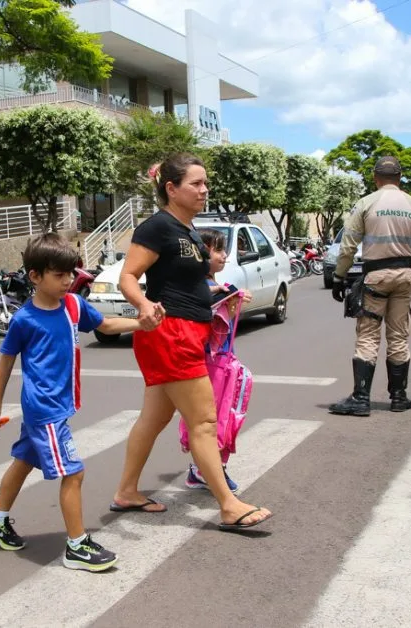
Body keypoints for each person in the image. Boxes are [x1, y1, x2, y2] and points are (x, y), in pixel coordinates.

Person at [110, 153, 272, 532]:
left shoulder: (189, 232)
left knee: (154, 419)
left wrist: (219, 292)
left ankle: (127, 492)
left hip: (188, 332)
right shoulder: (158, 227)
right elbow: (128, 277)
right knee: (203, 421)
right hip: (172, 333)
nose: (204, 190)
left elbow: (188, 283)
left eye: (205, 183)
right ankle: (229, 505)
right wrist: (143, 304)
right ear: (171, 188)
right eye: (196, 184)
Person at [0, 232, 144, 572]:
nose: (68, 281)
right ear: (35, 276)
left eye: (71, 274)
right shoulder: (25, 319)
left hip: (58, 405)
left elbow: (107, 324)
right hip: (44, 409)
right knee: (74, 473)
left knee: (24, 460)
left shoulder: (72, 305)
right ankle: (77, 545)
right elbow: (6, 361)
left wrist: (142, 323)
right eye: (59, 275)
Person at [329, 156, 411, 416]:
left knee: (368, 336)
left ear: (376, 178)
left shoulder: (366, 203)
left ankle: (361, 399)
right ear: (399, 178)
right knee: (399, 337)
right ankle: (399, 397)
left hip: (375, 277)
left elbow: (348, 246)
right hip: (404, 278)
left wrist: (339, 276)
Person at [184, 228, 252, 493]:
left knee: (222, 416)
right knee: (212, 419)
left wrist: (232, 302)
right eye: (218, 249)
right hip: (205, 364)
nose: (224, 255)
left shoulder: (217, 286)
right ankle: (208, 470)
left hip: (221, 362)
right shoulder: (200, 287)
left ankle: (205, 469)